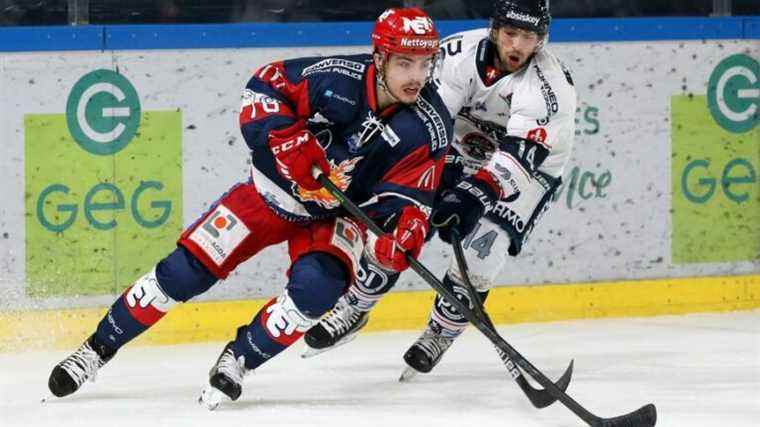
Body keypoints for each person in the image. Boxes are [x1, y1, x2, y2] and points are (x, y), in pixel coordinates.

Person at [47, 7, 452, 409]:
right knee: (181, 273)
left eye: (425, 63)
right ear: (379, 58)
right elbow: (263, 87)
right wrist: (286, 139)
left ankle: (239, 357)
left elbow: (413, 196)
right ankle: (96, 349)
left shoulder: (429, 124)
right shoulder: (337, 78)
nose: (416, 76)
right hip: (269, 196)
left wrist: (404, 234)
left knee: (317, 291)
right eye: (405, 63)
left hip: (335, 217)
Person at [303, 0, 577, 380]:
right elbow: (430, 116)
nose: (517, 46)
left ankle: (439, 333)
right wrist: (443, 165)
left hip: (529, 172)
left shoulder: (549, 87)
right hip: (457, 149)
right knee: (402, 220)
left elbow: (520, 156)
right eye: (510, 33)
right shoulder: (457, 53)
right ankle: (356, 305)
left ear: (541, 39)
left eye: (528, 37)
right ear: (495, 29)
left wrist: (471, 195)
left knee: (482, 251)